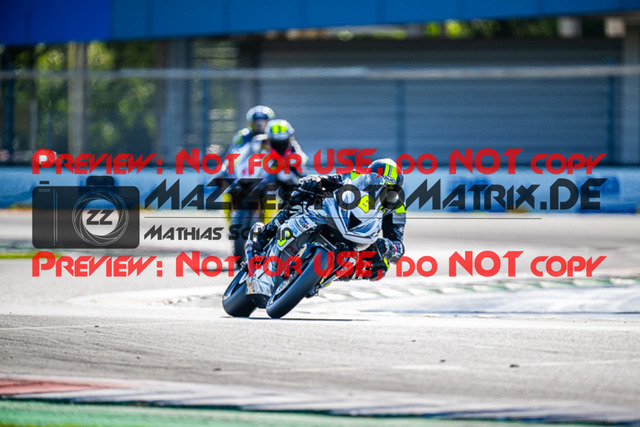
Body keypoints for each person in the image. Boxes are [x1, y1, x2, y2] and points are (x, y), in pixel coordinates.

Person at [247, 158, 405, 281]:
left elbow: (398, 247)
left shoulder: (397, 209)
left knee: (380, 267)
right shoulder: (355, 176)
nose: (379, 192)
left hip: (360, 237)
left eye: (388, 191)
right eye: (375, 184)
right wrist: (316, 180)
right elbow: (329, 179)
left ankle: (321, 278)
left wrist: (388, 247)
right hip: (336, 215)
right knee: (304, 194)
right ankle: (265, 234)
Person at [228, 119, 307, 264]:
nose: (279, 144)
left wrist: (291, 170)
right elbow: (243, 156)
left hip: (282, 182)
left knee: (297, 198)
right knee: (236, 190)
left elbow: (301, 166)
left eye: (283, 141)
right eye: (275, 141)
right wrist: (238, 170)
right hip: (261, 178)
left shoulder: (294, 148)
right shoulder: (259, 142)